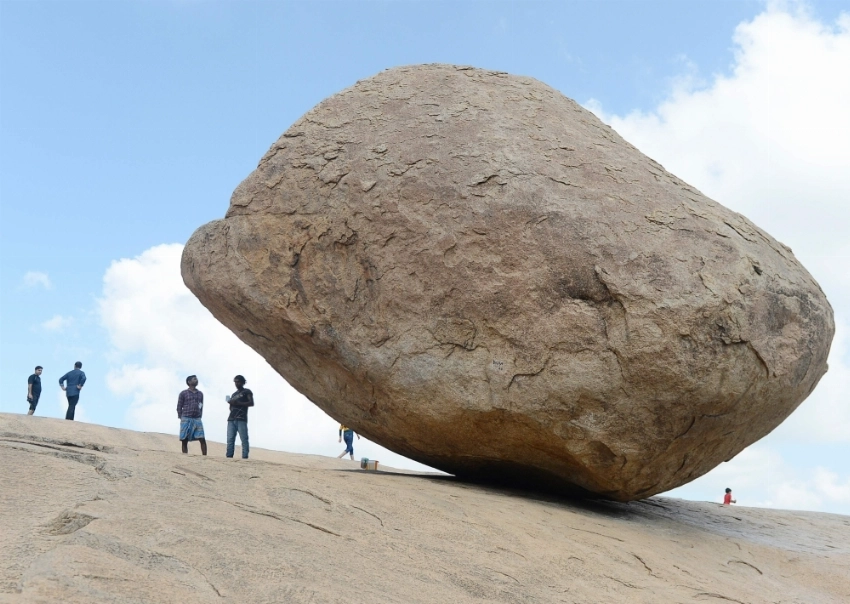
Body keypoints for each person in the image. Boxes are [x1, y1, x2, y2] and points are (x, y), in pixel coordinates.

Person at [177, 375, 207, 455]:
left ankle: (204, 456)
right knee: (184, 439)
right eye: (194, 379)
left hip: (197, 418)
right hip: (186, 417)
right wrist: (181, 417)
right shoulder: (183, 393)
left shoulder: (200, 394)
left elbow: (201, 405)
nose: (196, 380)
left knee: (202, 438)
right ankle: (185, 455)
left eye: (197, 379)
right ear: (189, 382)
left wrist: (200, 415)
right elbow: (179, 406)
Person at [226, 375, 253, 459]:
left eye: (238, 381)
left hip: (241, 418)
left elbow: (251, 403)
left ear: (243, 382)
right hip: (231, 418)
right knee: (230, 439)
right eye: (235, 382)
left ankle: (245, 457)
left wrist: (238, 403)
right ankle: (229, 456)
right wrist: (231, 403)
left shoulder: (247, 391)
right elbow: (231, 407)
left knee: (244, 439)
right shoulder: (234, 394)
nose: (237, 383)